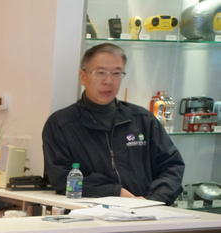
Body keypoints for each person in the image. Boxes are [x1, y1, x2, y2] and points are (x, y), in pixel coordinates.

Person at [42, 43, 185, 205]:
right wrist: (115, 192)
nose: (108, 81)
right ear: (83, 76)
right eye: (100, 73)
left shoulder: (143, 120)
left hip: (148, 213)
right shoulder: (62, 124)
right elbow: (61, 178)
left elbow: (172, 166)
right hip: (86, 216)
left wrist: (154, 200)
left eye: (116, 73)